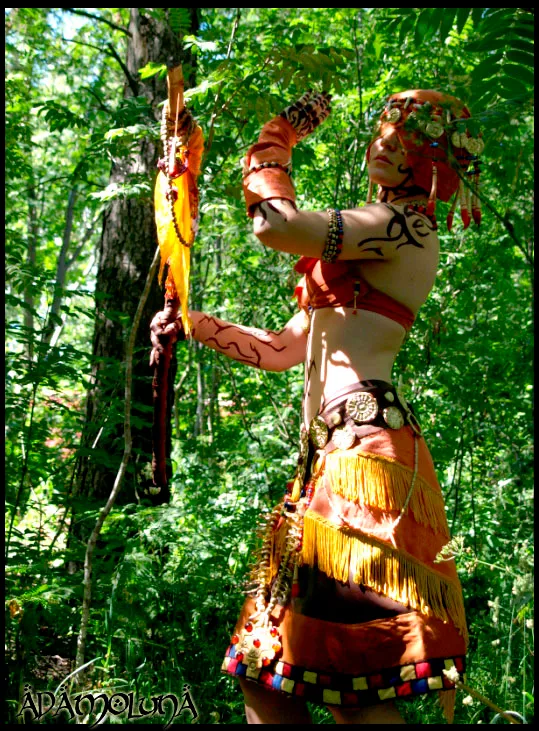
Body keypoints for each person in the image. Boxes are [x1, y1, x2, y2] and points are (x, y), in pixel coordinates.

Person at [151, 89, 483, 724]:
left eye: (410, 141)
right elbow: (282, 349)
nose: (387, 143)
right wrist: (191, 323)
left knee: (351, 686)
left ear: (436, 168)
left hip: (364, 460)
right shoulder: (361, 246)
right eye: (385, 131)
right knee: (266, 674)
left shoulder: (405, 228)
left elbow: (275, 225)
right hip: (326, 464)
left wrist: (275, 138)